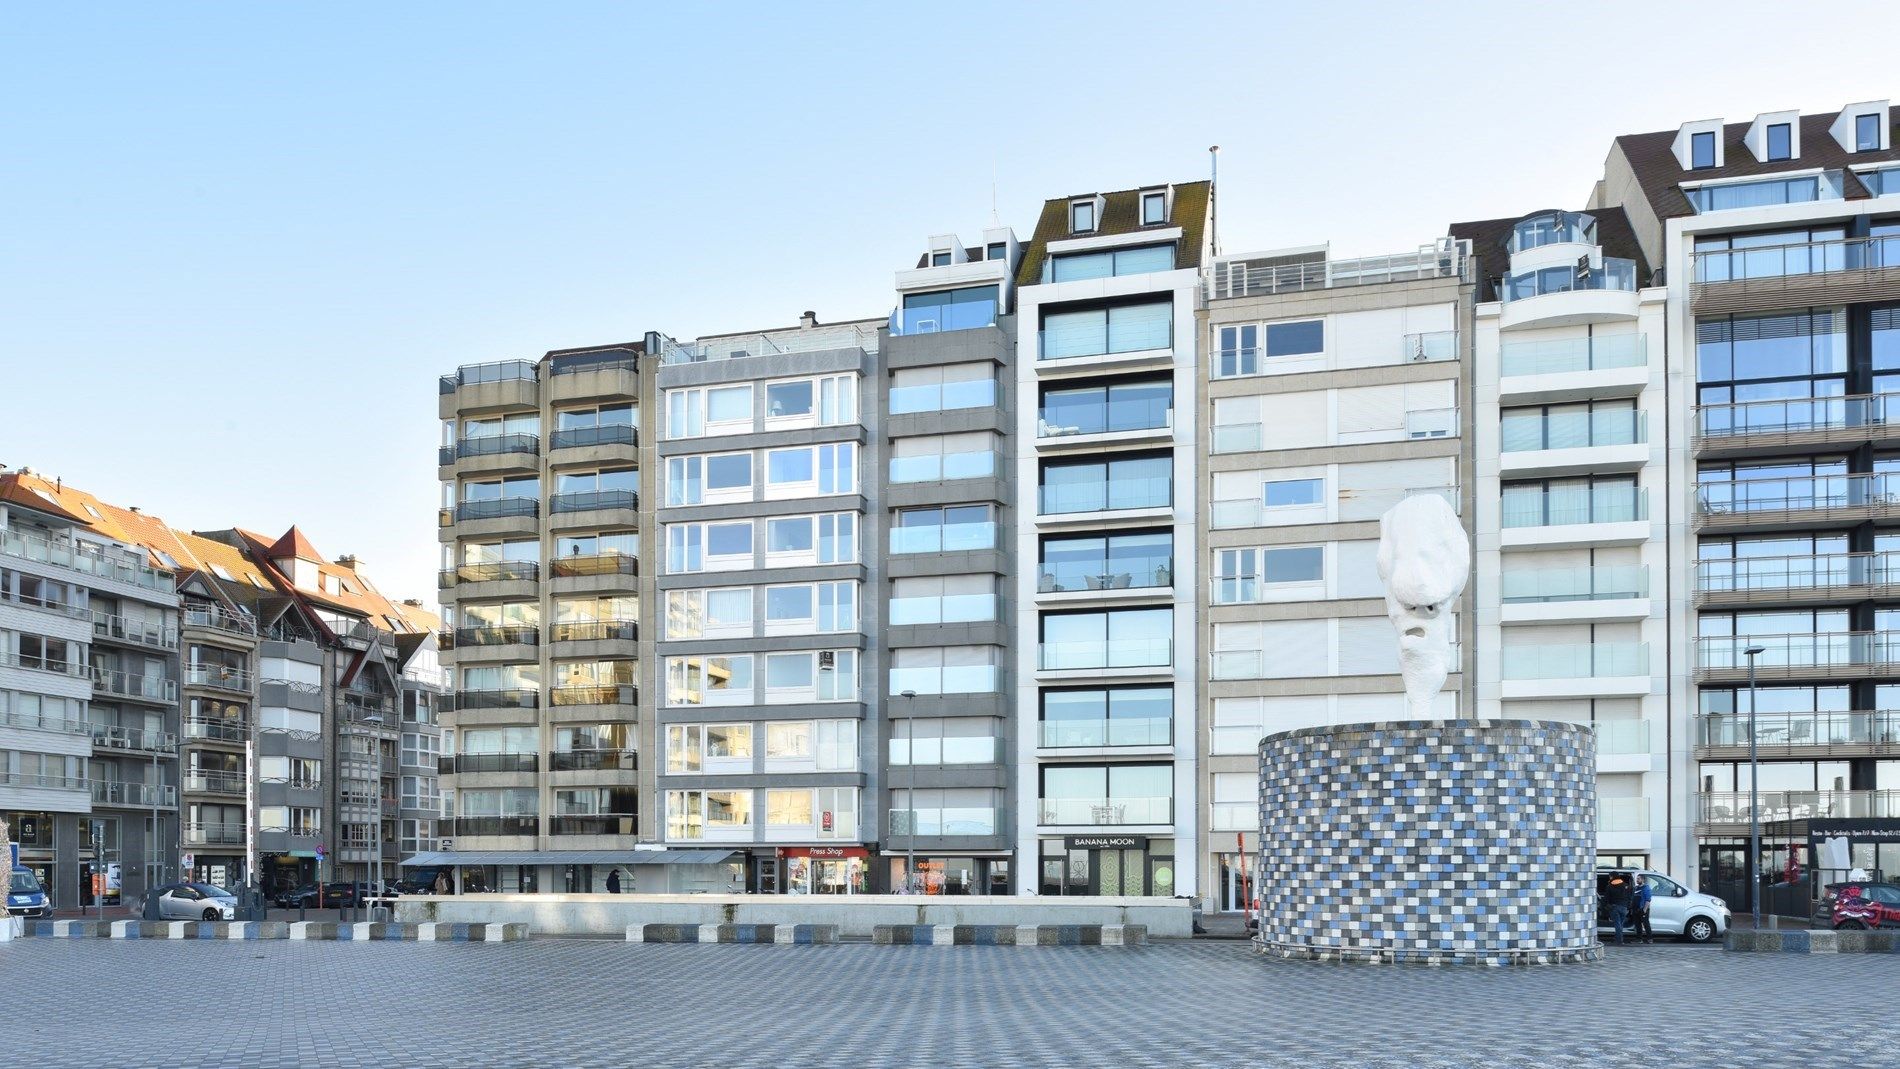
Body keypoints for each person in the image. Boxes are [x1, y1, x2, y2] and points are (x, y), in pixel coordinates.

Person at [1604, 871, 1634, 945]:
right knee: (1620, 924)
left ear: (1612, 877)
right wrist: (1628, 907)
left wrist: (1606, 906)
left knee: (1617, 924)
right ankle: (1618, 938)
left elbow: (1606, 898)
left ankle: (1619, 940)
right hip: (1624, 908)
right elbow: (1630, 897)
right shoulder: (1626, 885)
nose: (1609, 878)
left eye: (1610, 876)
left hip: (1614, 907)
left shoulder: (1609, 886)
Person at [1631, 873, 1653, 944]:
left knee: (1646, 924)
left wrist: (1644, 910)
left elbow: (1648, 900)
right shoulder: (1636, 888)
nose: (1637, 880)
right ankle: (1639, 939)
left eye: (1638, 878)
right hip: (1635, 909)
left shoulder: (1646, 888)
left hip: (1642, 909)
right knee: (1637, 925)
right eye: (1637, 878)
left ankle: (1650, 939)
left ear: (1643, 879)